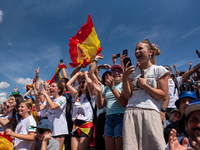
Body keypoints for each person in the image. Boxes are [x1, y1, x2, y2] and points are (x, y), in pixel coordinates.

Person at [122, 39, 168, 150]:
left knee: (156, 146)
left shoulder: (159, 70)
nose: (137, 51)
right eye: (136, 49)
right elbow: (127, 95)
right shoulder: (131, 72)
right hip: (131, 113)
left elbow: (163, 95)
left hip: (150, 112)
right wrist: (125, 78)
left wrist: (145, 86)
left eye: (140, 48)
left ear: (150, 52)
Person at [93, 64, 127, 150]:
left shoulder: (124, 85)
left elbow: (124, 103)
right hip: (108, 118)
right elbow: (100, 106)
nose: (116, 73)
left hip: (121, 117)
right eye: (114, 71)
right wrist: (99, 92)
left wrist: (112, 87)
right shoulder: (106, 88)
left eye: (119, 71)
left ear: (123, 74)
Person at [66, 71, 96, 150]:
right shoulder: (77, 95)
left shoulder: (92, 95)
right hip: (75, 125)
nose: (81, 84)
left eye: (83, 82)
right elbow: (68, 84)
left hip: (86, 125)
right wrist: (77, 74)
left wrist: (86, 74)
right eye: (80, 82)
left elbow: (89, 82)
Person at [35, 81, 68, 150]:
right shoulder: (49, 100)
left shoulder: (62, 98)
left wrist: (46, 95)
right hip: (50, 130)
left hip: (59, 130)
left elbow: (53, 106)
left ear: (59, 90)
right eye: (50, 86)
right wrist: (36, 97)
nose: (50, 88)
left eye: (53, 86)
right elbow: (38, 109)